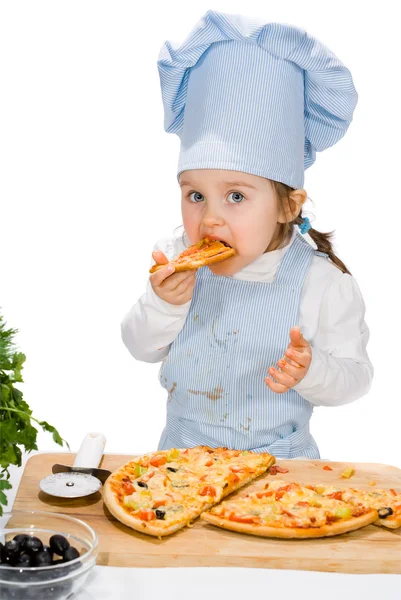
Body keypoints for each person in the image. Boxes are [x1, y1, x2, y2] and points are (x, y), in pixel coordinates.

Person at [121, 10, 373, 459]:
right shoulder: (174, 258)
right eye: (195, 195)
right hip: (179, 466)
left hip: (282, 475)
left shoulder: (323, 283)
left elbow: (356, 378)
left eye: (236, 197)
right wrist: (165, 304)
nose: (210, 219)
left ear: (288, 205)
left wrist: (311, 371)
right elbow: (139, 347)